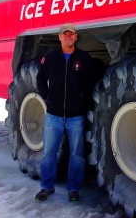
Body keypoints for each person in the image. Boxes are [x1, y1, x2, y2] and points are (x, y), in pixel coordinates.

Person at [35, 23, 95, 202]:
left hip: (75, 116)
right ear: (59, 37)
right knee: (48, 153)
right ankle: (47, 187)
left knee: (77, 155)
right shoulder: (50, 57)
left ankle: (74, 189)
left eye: (71, 34)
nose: (68, 37)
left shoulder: (84, 58)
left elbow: (90, 82)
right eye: (65, 34)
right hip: (53, 115)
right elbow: (40, 79)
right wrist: (47, 98)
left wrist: (83, 102)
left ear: (76, 37)